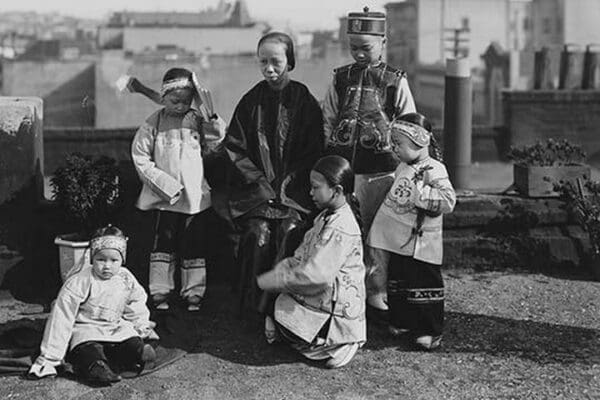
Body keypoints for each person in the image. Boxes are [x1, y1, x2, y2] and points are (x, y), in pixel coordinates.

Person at [214, 32, 324, 339]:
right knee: (257, 234)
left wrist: (287, 187)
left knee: (289, 233)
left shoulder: (304, 101)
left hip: (295, 192)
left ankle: (283, 310)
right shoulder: (251, 101)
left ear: (290, 61)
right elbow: (234, 148)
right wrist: (261, 183)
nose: (269, 68)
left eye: (275, 61)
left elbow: (313, 152)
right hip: (258, 191)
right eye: (263, 62)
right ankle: (257, 309)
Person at [321, 6, 417, 317]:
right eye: (353, 48)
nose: (359, 54)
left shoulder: (394, 80)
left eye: (366, 47)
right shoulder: (340, 78)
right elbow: (328, 117)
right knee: (345, 230)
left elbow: (407, 122)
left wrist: (406, 161)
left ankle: (376, 290)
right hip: (346, 170)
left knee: (378, 233)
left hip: (381, 170)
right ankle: (344, 288)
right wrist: (328, 153)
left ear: (383, 42)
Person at [131, 67, 226, 311]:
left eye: (186, 101)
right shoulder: (154, 122)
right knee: (163, 244)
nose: (180, 106)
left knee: (194, 244)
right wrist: (164, 184)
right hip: (165, 199)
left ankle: (194, 292)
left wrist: (210, 116)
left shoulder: (196, 120)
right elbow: (140, 156)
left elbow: (217, 139)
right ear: (163, 98)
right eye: (175, 101)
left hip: (194, 198)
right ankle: (160, 291)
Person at [257, 155, 366, 369]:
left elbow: (318, 276)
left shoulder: (341, 227)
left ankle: (343, 342)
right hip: (314, 291)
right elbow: (304, 252)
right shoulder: (325, 216)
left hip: (332, 299)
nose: (310, 193)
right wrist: (288, 266)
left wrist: (280, 279)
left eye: (316, 187)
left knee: (287, 329)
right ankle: (317, 339)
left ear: (337, 190)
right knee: (279, 320)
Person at [366, 113, 455, 350]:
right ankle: (402, 321)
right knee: (399, 280)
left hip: (420, 239)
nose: (393, 148)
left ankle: (429, 329)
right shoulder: (404, 166)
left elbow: (448, 200)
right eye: (392, 143)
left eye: (399, 143)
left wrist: (421, 195)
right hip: (398, 236)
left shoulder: (434, 169)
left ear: (420, 141)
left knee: (423, 281)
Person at [27, 226, 158, 385]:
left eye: (114, 260)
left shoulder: (125, 277)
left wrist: (140, 326)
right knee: (89, 351)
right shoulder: (81, 281)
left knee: (131, 341)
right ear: (91, 258)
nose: (107, 266)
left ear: (122, 259)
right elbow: (62, 316)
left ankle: (138, 352)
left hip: (114, 326)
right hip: (87, 328)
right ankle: (98, 368)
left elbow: (136, 302)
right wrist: (51, 357)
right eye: (101, 260)